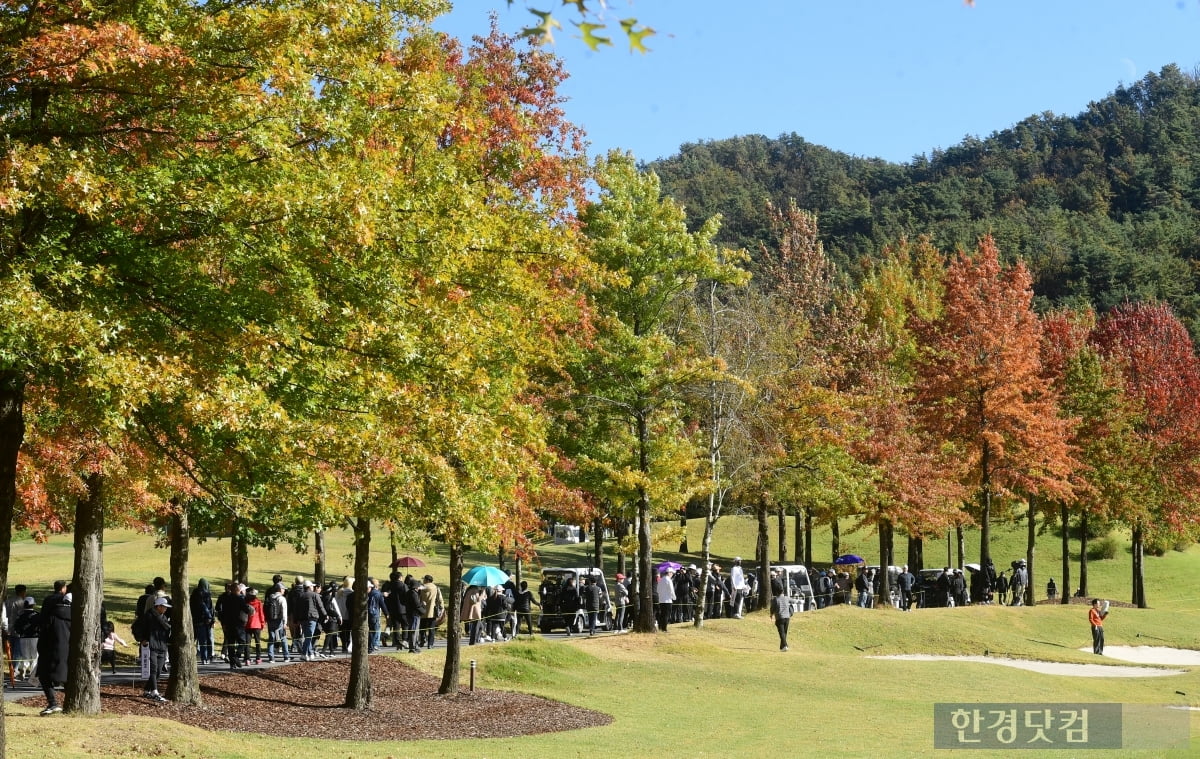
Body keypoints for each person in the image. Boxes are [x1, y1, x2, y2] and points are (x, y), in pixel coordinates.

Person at [36, 580, 71, 715]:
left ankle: (53, 703)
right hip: (68, 647)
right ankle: (70, 702)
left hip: (50, 647)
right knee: (66, 676)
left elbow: (43, 629)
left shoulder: (50, 617)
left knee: (44, 676)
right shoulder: (72, 617)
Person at [137, 597, 172, 701]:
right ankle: (155, 691)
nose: (165, 609)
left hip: (162, 647)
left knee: (158, 670)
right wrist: (142, 639)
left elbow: (166, 632)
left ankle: (147, 690)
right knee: (153, 669)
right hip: (151, 646)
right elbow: (139, 628)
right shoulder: (148, 616)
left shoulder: (164, 618)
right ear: (158, 606)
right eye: (164, 607)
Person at [190, 578, 215, 664]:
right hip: (204, 620)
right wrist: (210, 617)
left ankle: (192, 657)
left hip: (193, 620)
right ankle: (206, 657)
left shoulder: (193, 594)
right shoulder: (206, 594)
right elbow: (209, 607)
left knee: (193, 639)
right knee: (204, 640)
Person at [264, 582, 290, 662]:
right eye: (283, 589)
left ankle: (271, 657)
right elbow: (284, 611)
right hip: (279, 621)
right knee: (283, 638)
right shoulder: (282, 599)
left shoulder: (270, 597)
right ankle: (286, 656)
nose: (284, 591)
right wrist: (285, 622)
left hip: (270, 620)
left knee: (271, 638)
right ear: (280, 589)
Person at [769, 574, 792, 651]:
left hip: (780, 618)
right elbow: (793, 601)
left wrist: (771, 614)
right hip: (787, 617)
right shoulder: (786, 598)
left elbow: (773, 608)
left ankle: (785, 645)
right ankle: (782, 647)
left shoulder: (776, 599)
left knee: (781, 633)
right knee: (784, 632)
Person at [418, 575, 442, 649]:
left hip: (422, 610)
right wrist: (441, 608)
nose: (423, 580)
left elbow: (418, 597)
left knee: (422, 628)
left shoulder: (421, 588)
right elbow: (440, 599)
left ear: (427, 580)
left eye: (424, 579)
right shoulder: (436, 588)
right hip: (432, 611)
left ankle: (422, 640)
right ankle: (430, 644)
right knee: (431, 629)